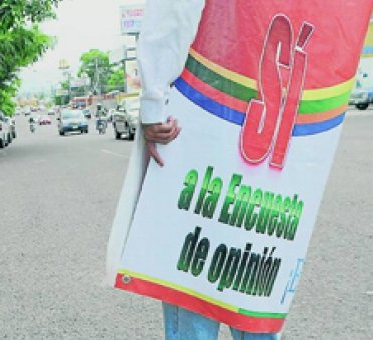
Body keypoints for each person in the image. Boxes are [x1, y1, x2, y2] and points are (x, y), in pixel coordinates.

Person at [111, 0, 277, 339]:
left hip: (206, 106)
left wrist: (154, 107)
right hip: (275, 111)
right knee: (256, 264)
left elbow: (172, 13)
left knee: (195, 265)